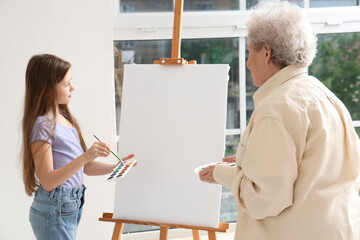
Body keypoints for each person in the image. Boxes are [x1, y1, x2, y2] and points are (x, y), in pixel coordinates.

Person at [199, 2, 360, 240]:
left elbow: (263, 200)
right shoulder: (324, 94)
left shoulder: (276, 110)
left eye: (249, 52)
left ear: (266, 53)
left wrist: (223, 173)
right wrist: (249, 161)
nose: (247, 62)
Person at [21, 54, 134, 240]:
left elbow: (85, 168)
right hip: (55, 207)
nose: (73, 87)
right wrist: (86, 156)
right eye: (66, 84)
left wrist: (115, 168)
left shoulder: (65, 119)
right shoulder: (43, 125)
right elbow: (48, 181)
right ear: (47, 90)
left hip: (68, 204)